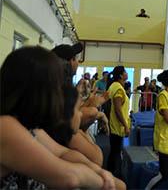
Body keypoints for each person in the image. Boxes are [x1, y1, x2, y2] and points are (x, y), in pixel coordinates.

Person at [0, 46, 118, 189]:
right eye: (55, 85)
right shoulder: (5, 127)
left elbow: (63, 153)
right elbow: (70, 177)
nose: (58, 93)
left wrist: (98, 171)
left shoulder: (29, 128)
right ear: (39, 90)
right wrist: (105, 182)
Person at [106, 66, 130, 179]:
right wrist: (125, 125)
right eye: (125, 72)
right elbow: (117, 109)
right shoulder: (119, 89)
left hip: (115, 126)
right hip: (118, 126)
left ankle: (111, 176)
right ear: (121, 75)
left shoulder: (114, 86)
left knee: (114, 153)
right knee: (116, 153)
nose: (126, 73)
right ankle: (113, 178)